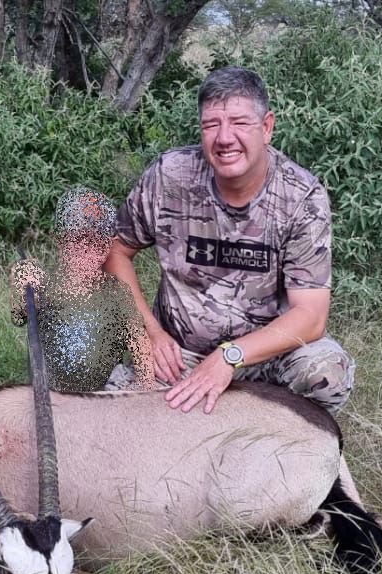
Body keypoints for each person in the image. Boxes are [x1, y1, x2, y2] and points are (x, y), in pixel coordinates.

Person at [104, 66, 354, 415]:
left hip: (267, 358)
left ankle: (275, 446)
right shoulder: (169, 175)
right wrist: (149, 333)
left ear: (266, 127)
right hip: (181, 353)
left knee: (327, 376)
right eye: (211, 125)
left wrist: (230, 357)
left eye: (239, 123)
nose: (224, 138)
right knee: (114, 410)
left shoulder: (301, 196)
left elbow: (310, 316)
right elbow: (115, 251)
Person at [10, 186, 153, 392]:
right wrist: (21, 283)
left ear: (108, 245)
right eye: (78, 241)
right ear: (59, 240)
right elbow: (19, 315)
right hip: (51, 397)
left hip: (102, 397)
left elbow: (139, 343)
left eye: (97, 243)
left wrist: (145, 390)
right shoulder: (43, 285)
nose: (87, 251)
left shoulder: (116, 292)